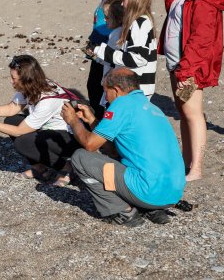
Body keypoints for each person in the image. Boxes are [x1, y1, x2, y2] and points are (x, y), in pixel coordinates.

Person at [62, 68, 185, 227]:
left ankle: (123, 212)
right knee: (119, 156)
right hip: (172, 193)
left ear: (116, 90)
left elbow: (90, 145)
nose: (105, 96)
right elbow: (113, 149)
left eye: (106, 91)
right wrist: (91, 119)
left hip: (147, 191)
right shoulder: (151, 107)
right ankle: (149, 208)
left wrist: (73, 121)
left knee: (80, 157)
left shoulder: (121, 104)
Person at [158, 0, 224, 182]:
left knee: (193, 113)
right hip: (177, 61)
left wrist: (186, 69)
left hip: (189, 65)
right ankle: (186, 160)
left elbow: (201, 39)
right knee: (183, 111)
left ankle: (196, 167)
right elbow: (176, 14)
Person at [0, 55, 82, 187]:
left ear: (27, 79)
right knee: (11, 120)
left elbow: (19, 132)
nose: (11, 81)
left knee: (23, 142)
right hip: (50, 130)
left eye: (14, 78)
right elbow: (11, 109)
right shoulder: (34, 86)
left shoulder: (47, 101)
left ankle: (66, 168)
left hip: (69, 138)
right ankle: (39, 167)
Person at [87, 0, 157, 99]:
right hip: (135, 87)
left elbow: (137, 58)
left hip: (137, 88)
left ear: (135, 1)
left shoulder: (140, 23)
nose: (122, 5)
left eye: (124, 0)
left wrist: (104, 52)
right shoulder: (138, 22)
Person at [86, 0, 133, 117]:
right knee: (93, 85)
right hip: (99, 44)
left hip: (112, 48)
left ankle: (102, 127)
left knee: (106, 89)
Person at [89, 0, 124, 107]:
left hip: (113, 84)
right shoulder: (121, 32)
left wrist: (97, 54)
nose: (104, 20)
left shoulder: (116, 34)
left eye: (107, 17)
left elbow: (112, 59)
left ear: (117, 17)